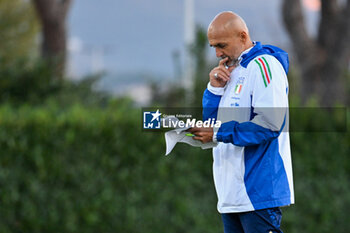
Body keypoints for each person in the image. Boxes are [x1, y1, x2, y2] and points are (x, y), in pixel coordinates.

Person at [187, 11, 294, 233]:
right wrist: (214, 90)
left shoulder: (265, 66)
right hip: (230, 195)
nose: (217, 53)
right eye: (213, 47)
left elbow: (270, 124)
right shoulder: (229, 70)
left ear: (243, 36)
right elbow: (212, 123)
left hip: (258, 194)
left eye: (222, 45)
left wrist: (216, 133)